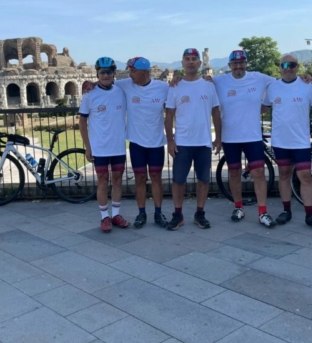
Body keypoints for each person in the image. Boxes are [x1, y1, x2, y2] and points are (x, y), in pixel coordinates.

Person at [262, 54, 312, 230]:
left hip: (301, 141)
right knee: (284, 174)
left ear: (298, 67)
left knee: (305, 176)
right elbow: (262, 108)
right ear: (280, 67)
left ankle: (310, 215)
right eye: (284, 65)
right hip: (280, 141)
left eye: (292, 65)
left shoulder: (308, 85)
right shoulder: (273, 87)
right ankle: (286, 211)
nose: (288, 68)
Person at [212, 50, 276, 226]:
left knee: (258, 173)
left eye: (242, 63)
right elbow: (199, 82)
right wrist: (178, 79)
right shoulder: (220, 80)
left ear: (246, 64)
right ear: (229, 65)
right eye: (234, 63)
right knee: (234, 172)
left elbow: (281, 83)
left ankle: (262, 212)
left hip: (252, 136)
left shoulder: (259, 78)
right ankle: (238, 207)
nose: (238, 66)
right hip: (230, 136)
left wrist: (305, 78)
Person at [164, 48, 221, 231]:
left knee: (203, 179)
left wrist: (218, 138)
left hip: (203, 141)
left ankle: (200, 213)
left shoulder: (208, 85)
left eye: (193, 59)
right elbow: (169, 115)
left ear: (199, 63)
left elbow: (216, 112)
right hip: (182, 142)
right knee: (178, 180)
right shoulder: (175, 86)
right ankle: (178, 214)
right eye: (187, 59)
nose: (190, 62)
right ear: (182, 63)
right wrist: (170, 140)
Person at [79, 57, 130, 233]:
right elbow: (82, 121)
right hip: (99, 147)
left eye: (109, 72)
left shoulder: (121, 91)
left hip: (117, 145)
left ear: (114, 73)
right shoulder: (89, 94)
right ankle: (104, 217)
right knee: (102, 181)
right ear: (97, 74)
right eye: (102, 72)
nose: (106, 75)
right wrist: (88, 146)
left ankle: (115, 214)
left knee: (117, 180)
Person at [118, 57, 170, 228]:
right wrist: (90, 84)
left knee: (156, 177)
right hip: (136, 142)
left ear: (144, 72)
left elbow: (181, 88)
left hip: (156, 142)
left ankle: (158, 212)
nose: (130, 74)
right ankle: (141, 213)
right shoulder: (126, 84)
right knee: (140, 178)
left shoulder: (162, 87)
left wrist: (179, 79)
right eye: (129, 71)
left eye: (133, 71)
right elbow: (106, 83)